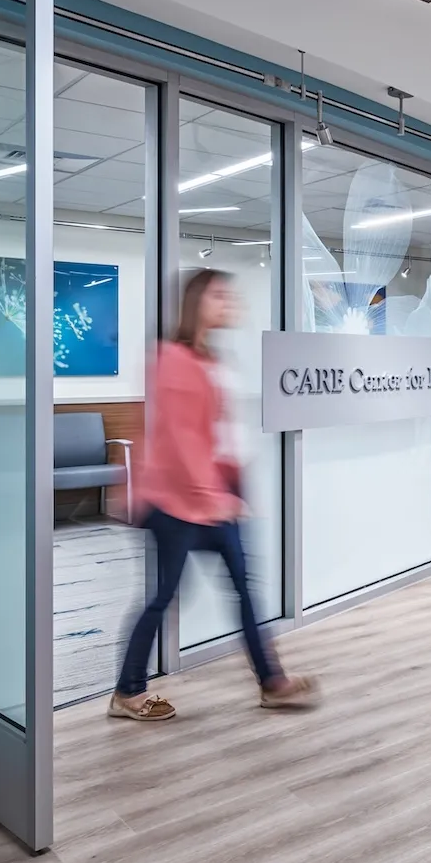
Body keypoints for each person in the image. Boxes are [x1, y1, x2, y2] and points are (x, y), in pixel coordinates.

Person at [110, 268, 316, 721]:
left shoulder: (209, 359)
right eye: (219, 296)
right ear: (196, 302)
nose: (229, 303)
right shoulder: (172, 359)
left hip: (213, 497)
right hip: (176, 503)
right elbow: (181, 441)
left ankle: (272, 682)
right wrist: (213, 494)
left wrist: (235, 487)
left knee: (244, 588)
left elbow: (219, 435)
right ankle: (127, 691)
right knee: (165, 595)